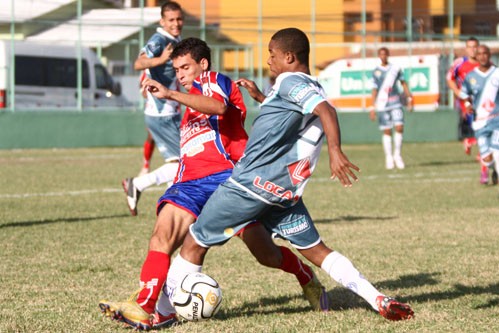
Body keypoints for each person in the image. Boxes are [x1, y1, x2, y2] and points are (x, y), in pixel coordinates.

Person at [163, 28, 414, 323]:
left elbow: (326, 111)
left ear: (289, 57)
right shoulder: (308, 84)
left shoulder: (289, 80)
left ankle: (163, 312)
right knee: (315, 251)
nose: (268, 60)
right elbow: (293, 117)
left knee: (194, 241)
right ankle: (377, 298)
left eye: (272, 54)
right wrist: (261, 97)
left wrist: (335, 151)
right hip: (284, 195)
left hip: (249, 185)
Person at [99, 37, 330, 331]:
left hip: (228, 179)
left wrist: (170, 93)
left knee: (266, 254)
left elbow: (219, 108)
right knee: (162, 237)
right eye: (176, 69)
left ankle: (305, 275)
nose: (180, 74)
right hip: (190, 183)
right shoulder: (188, 105)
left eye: (185, 67)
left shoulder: (213, 80)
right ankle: (148, 307)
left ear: (203, 64)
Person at [122, 1, 184, 216]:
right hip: (162, 112)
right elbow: (139, 63)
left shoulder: (175, 39)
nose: (176, 23)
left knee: (179, 162)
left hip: (169, 109)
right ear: (162, 21)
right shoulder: (159, 40)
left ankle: (169, 205)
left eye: (179, 19)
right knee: (184, 162)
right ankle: (138, 184)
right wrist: (162, 58)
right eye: (171, 20)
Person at [446, 37, 497, 185]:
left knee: (490, 138)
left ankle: (484, 166)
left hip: (490, 109)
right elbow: (450, 78)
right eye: (470, 47)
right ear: (466, 49)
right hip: (469, 107)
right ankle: (485, 170)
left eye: (475, 47)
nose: (473, 50)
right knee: (484, 136)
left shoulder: (489, 65)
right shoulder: (460, 63)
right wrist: (459, 94)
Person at [459, 44, 499, 197]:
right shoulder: (471, 76)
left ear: (490, 55)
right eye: (480, 54)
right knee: (487, 159)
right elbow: (465, 95)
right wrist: (468, 105)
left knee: (497, 152)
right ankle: (493, 170)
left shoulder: (497, 73)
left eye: (485, 53)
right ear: (476, 56)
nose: (483, 56)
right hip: (480, 122)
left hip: (497, 119)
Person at [369, 47, 413, 170]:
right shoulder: (376, 72)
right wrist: (372, 107)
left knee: (399, 127)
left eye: (385, 54)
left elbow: (404, 83)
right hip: (383, 104)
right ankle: (388, 157)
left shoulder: (395, 69)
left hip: (396, 102)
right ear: (379, 56)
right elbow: (374, 89)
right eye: (381, 54)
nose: (383, 56)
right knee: (387, 130)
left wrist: (409, 98)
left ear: (388, 55)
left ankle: (397, 155)